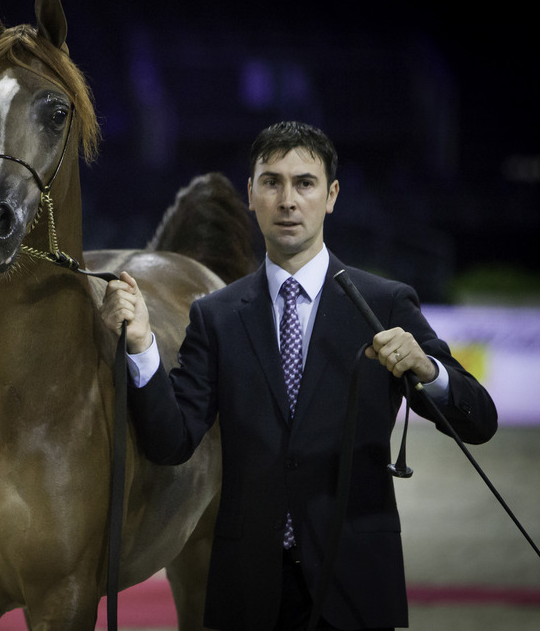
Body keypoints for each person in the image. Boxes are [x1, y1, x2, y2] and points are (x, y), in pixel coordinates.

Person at [101, 121, 497, 630]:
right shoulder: (215, 316)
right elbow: (172, 443)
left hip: (355, 585)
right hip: (245, 594)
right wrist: (141, 348)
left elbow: (478, 421)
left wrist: (428, 368)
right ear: (251, 194)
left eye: (305, 183)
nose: (288, 200)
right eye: (272, 182)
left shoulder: (386, 303)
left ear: (331, 195)